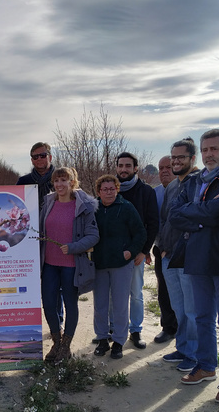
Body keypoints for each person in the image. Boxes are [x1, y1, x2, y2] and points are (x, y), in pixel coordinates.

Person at [168, 128, 219, 403]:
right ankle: (206, 366)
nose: (209, 154)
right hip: (196, 257)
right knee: (202, 317)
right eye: (205, 149)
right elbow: (175, 214)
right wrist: (203, 221)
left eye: (214, 149)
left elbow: (217, 212)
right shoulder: (195, 180)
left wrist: (199, 218)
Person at [39, 167, 99, 363]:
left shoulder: (83, 207)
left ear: (73, 182)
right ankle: (56, 340)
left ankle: (65, 346)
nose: (59, 185)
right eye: (56, 181)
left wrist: (73, 247)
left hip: (71, 265)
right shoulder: (48, 203)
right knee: (48, 304)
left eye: (64, 180)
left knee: (70, 304)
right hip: (49, 264)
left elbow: (93, 236)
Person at [91, 175, 145, 359]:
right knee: (100, 304)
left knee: (121, 304)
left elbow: (140, 233)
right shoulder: (93, 209)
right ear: (98, 192)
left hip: (121, 264)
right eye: (105, 189)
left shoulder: (126, 208)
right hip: (99, 263)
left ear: (117, 189)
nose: (109, 192)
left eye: (112, 188)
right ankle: (102, 339)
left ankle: (119, 341)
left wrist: (131, 251)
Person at [158, 138, 200, 373]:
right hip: (168, 256)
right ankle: (183, 348)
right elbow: (166, 220)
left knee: (193, 310)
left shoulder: (199, 184)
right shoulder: (173, 185)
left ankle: (194, 355)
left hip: (188, 258)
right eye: (173, 157)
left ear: (193, 159)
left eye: (181, 157)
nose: (176, 161)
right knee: (179, 308)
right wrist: (162, 247)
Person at [116, 152, 159, 349]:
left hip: (136, 253)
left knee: (136, 293)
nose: (123, 169)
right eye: (120, 165)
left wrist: (144, 251)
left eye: (127, 166)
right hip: (113, 253)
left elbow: (152, 223)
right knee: (113, 294)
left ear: (135, 168)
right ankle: (114, 329)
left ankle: (135, 330)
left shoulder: (146, 192)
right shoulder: (110, 188)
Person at [152, 155, 178, 344]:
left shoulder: (186, 190)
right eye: (161, 168)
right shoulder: (155, 193)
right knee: (164, 291)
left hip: (183, 251)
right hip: (161, 249)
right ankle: (168, 327)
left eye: (168, 167)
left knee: (185, 295)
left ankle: (185, 331)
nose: (164, 171)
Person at [17, 142, 55, 210]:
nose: (39, 159)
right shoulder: (23, 182)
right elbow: (16, 204)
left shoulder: (61, 180)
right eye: (35, 157)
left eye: (43, 155)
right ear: (32, 160)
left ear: (50, 157)